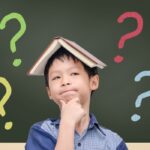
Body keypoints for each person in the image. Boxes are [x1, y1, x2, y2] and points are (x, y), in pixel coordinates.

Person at [25, 45, 128, 150]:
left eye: (74, 73)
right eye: (56, 77)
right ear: (49, 92)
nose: (65, 82)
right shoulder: (42, 132)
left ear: (93, 82)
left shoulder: (114, 142)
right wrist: (67, 123)